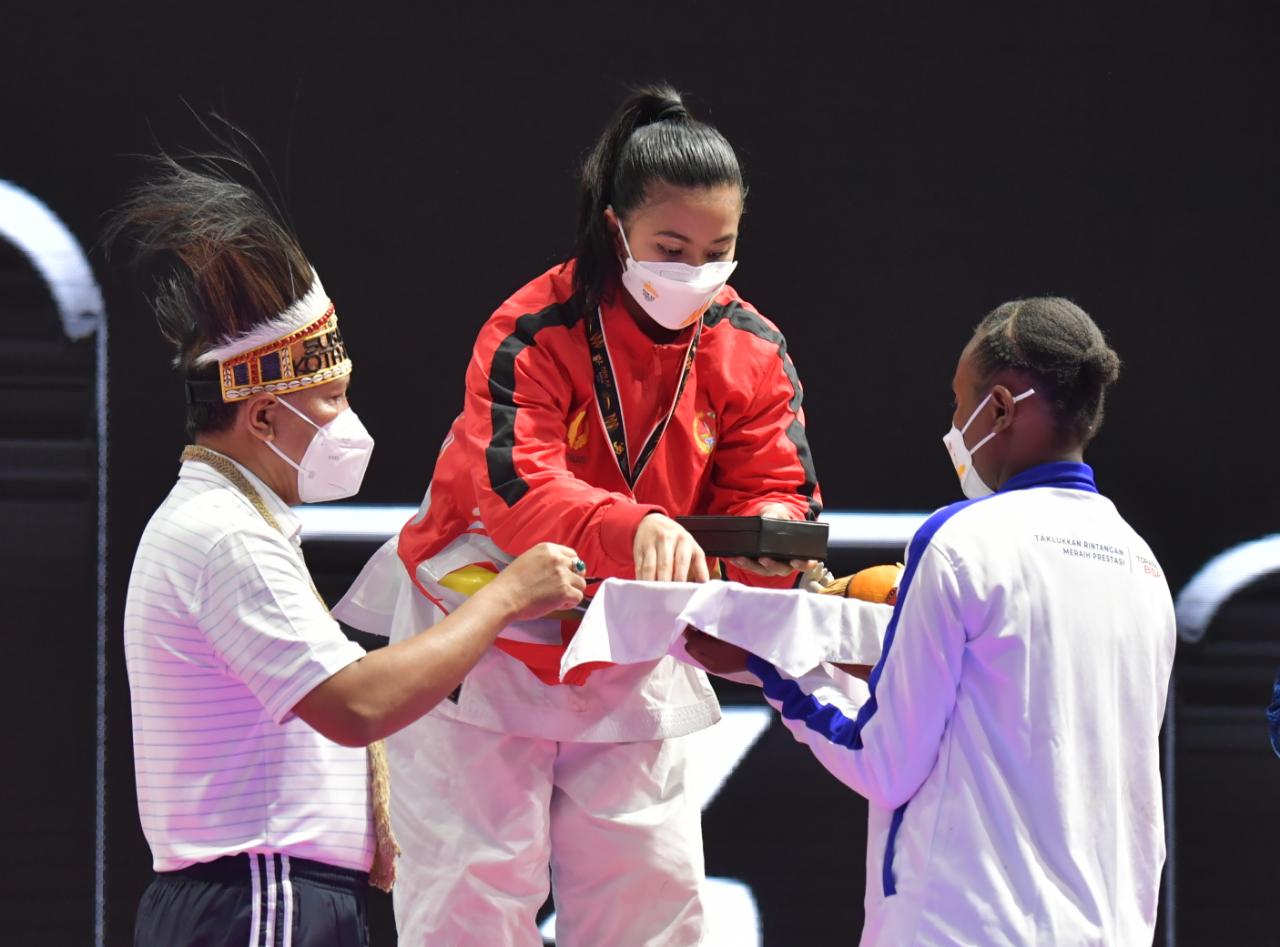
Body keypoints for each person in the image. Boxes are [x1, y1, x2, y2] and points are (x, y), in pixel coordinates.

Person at [337, 83, 821, 946]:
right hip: (485, 628)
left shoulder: (751, 348)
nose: (696, 271)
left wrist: (770, 549)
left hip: (629, 638)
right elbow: (519, 489)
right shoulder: (530, 329)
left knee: (654, 907)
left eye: (719, 250)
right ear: (614, 229)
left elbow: (774, 485)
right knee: (470, 906)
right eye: (671, 248)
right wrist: (635, 526)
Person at [109, 151, 585, 947]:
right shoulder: (224, 534)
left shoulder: (226, 521)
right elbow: (356, 704)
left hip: (267, 892)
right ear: (263, 417)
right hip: (261, 896)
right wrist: (507, 596)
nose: (347, 419)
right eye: (329, 397)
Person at [687, 297, 1176, 945]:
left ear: (998, 409)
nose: (952, 424)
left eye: (958, 400)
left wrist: (769, 665)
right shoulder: (1143, 566)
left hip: (961, 926)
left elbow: (882, 760)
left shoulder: (962, 542)